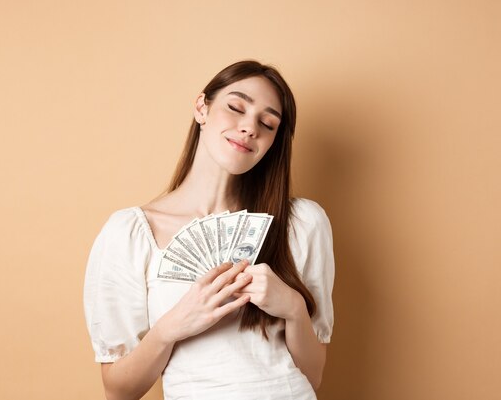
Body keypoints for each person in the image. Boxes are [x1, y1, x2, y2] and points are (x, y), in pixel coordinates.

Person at [83, 60, 335, 400]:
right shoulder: (130, 233)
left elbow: (314, 374)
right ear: (202, 107)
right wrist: (172, 327)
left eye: (268, 123)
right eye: (236, 107)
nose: (249, 128)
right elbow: (119, 390)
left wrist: (292, 306)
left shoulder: (302, 223)